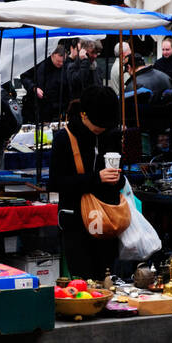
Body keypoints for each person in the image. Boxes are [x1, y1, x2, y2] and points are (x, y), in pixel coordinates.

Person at [49, 86, 124, 279]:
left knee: (106, 278)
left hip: (106, 220)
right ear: (83, 115)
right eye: (98, 124)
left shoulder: (110, 135)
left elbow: (122, 178)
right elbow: (56, 183)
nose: (101, 129)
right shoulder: (64, 139)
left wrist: (117, 179)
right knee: (84, 281)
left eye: (106, 126)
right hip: (76, 221)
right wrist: (96, 178)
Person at [21, 44, 68, 122]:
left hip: (56, 110)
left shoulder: (65, 67)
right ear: (52, 55)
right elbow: (24, 77)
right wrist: (33, 88)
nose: (61, 64)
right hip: (36, 108)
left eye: (63, 62)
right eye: (58, 61)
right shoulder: (39, 61)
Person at [63, 38, 102, 104]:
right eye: (92, 52)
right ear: (83, 51)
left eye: (97, 53)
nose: (95, 56)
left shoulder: (95, 67)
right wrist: (84, 62)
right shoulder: (72, 67)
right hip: (80, 107)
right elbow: (78, 82)